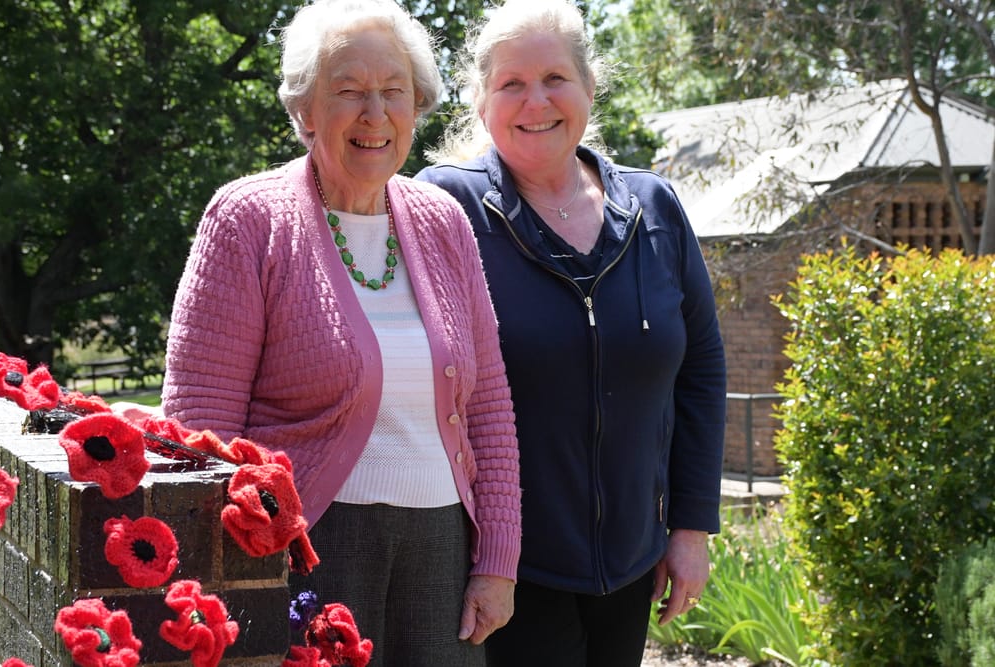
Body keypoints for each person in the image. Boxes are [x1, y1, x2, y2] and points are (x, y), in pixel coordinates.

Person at [161, 1, 521, 664]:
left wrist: (498, 560)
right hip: (307, 549)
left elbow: (490, 409)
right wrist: (210, 583)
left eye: (394, 92)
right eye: (348, 91)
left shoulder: (444, 221)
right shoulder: (248, 221)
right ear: (304, 109)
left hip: (443, 551)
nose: (374, 114)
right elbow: (197, 426)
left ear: (417, 106)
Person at [415, 1, 726, 665]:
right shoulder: (445, 207)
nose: (537, 101)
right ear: (480, 102)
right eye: (511, 84)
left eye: (556, 78)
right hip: (501, 570)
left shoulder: (654, 208)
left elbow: (700, 368)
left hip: (632, 559)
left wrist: (691, 525)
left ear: (590, 87)